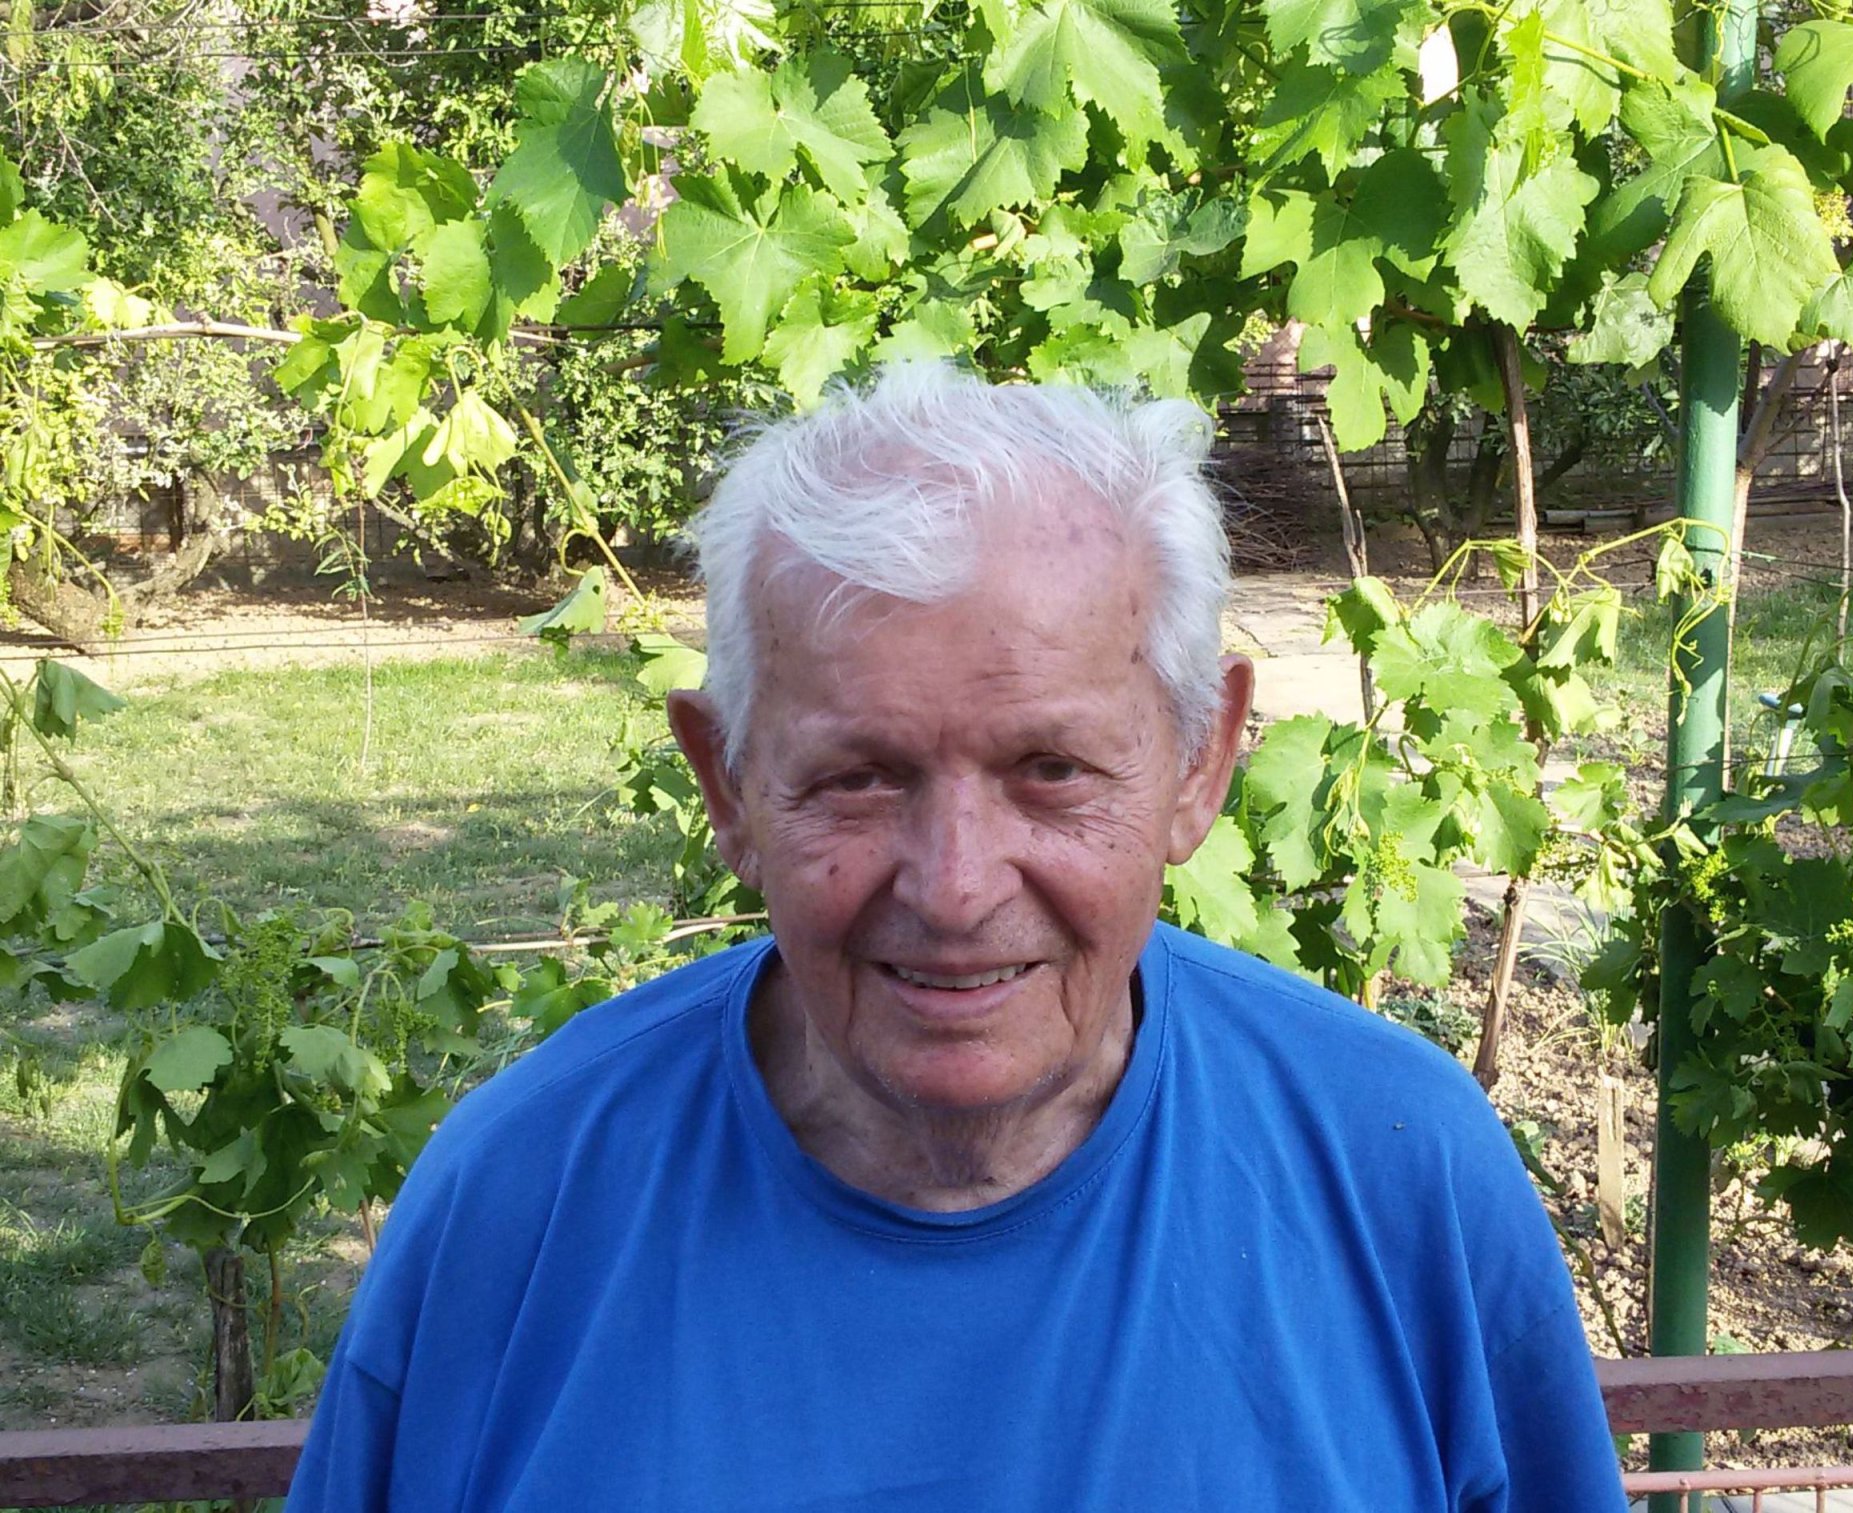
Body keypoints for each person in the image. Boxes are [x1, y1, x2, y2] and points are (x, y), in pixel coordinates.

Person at [287, 364, 1624, 1511]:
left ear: (1200, 762)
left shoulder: (1402, 1174)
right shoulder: (515, 1206)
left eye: (1052, 769)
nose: (955, 886)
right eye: (859, 777)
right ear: (728, 784)